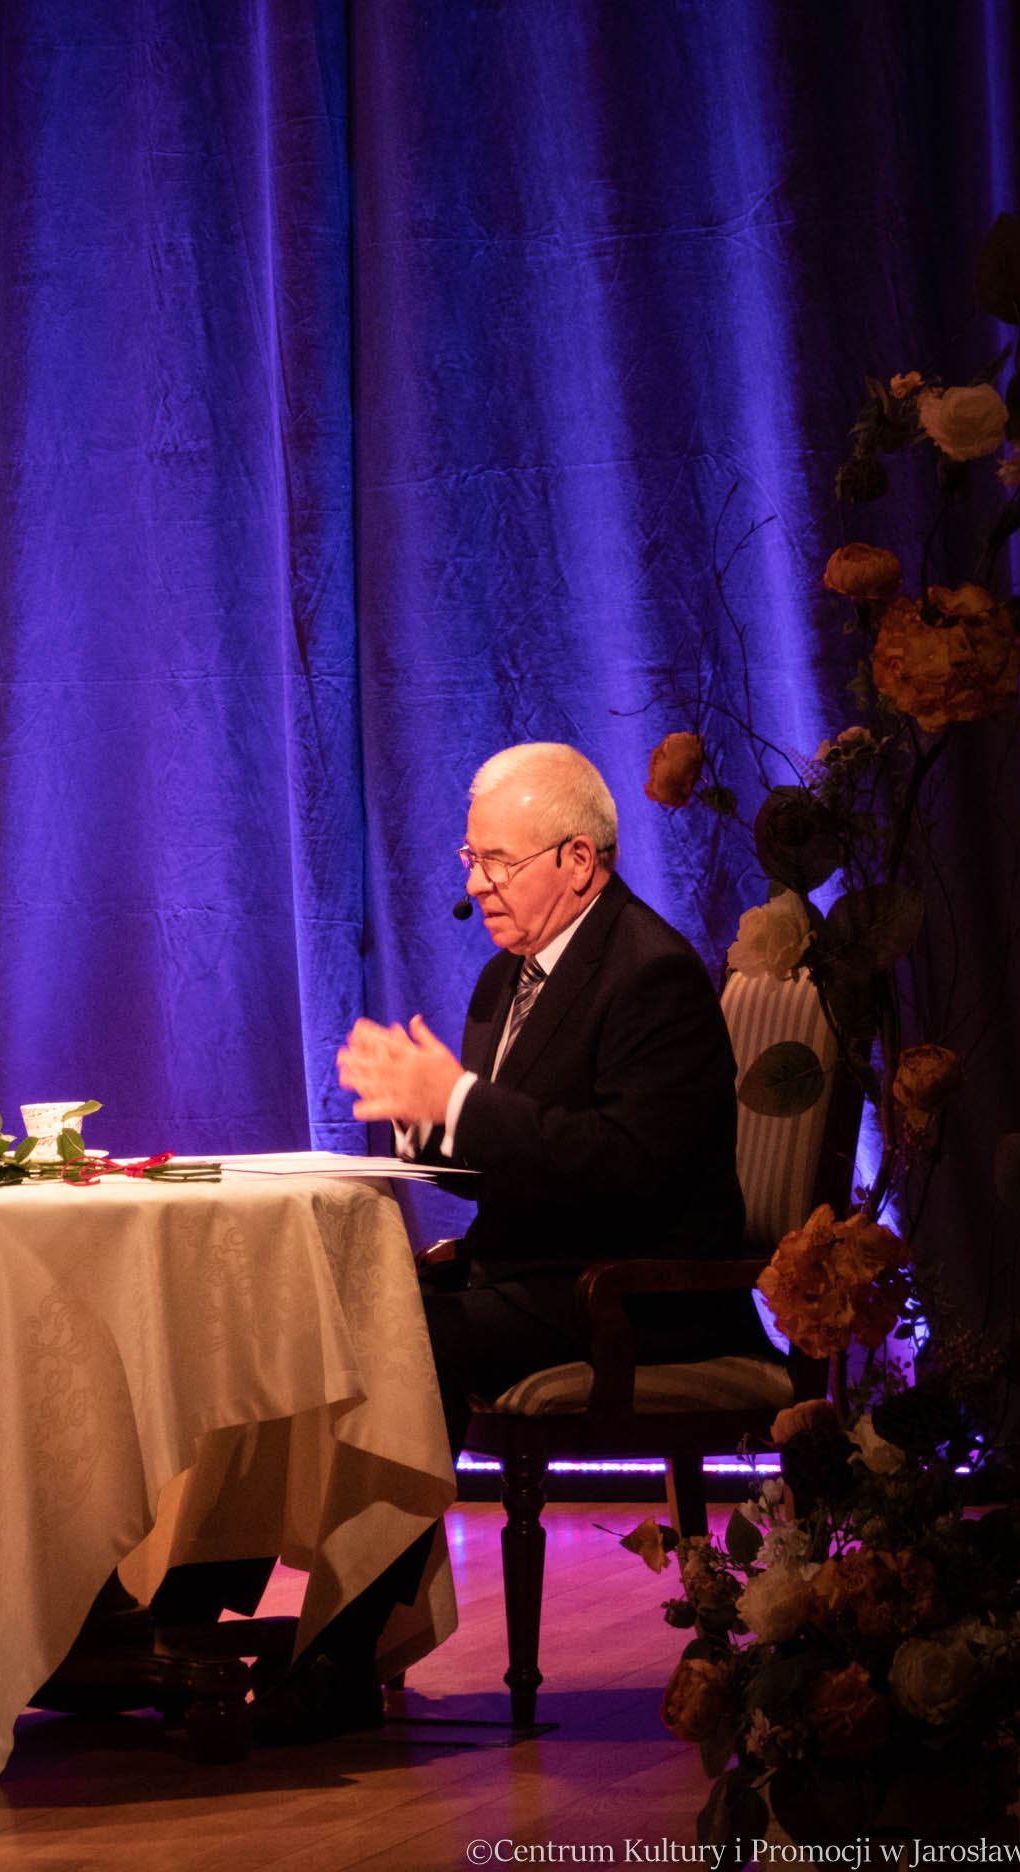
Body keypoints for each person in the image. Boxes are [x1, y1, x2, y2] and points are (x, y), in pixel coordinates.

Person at [251, 741, 766, 1742]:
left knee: (412, 1341)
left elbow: (627, 1167)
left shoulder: (651, 975)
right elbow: (511, 1157)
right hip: (534, 1276)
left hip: (635, 1300)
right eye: (470, 857)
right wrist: (426, 1124)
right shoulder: (506, 979)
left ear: (577, 859)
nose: (476, 883)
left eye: (497, 860)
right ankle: (201, 1618)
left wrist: (458, 1102)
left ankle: (342, 1659)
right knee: (331, 1314)